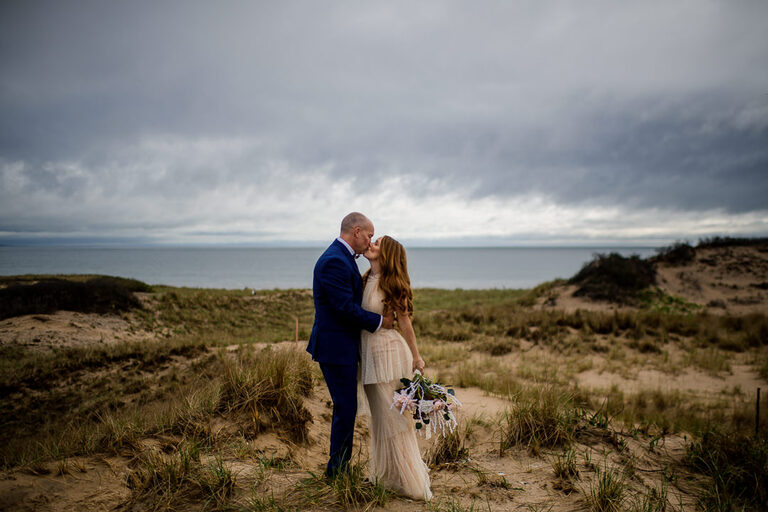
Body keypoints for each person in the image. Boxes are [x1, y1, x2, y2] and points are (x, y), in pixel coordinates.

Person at [307, 212, 394, 479]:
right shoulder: (334, 260)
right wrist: (381, 321)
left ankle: (339, 470)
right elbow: (344, 308)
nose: (369, 241)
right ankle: (336, 473)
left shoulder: (342, 257)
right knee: (345, 408)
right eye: (369, 235)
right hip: (335, 348)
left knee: (347, 408)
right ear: (356, 231)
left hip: (341, 346)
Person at [359, 235, 432, 500]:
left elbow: (405, 323)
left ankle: (409, 482)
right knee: (380, 418)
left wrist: (417, 357)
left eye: (376, 243)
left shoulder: (393, 285)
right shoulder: (364, 279)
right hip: (368, 355)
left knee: (394, 419)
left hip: (389, 354)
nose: (371, 245)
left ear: (386, 253)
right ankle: (388, 477)